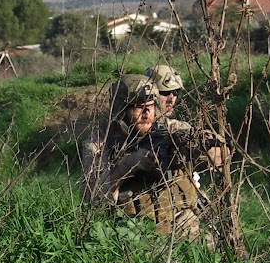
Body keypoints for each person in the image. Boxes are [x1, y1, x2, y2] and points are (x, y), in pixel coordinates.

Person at [80, 74, 225, 240]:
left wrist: (207, 149)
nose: (147, 114)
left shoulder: (169, 128)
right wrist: (128, 166)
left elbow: (216, 153)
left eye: (151, 106)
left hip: (184, 226)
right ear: (122, 111)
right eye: (139, 107)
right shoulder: (100, 143)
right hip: (132, 235)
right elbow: (93, 201)